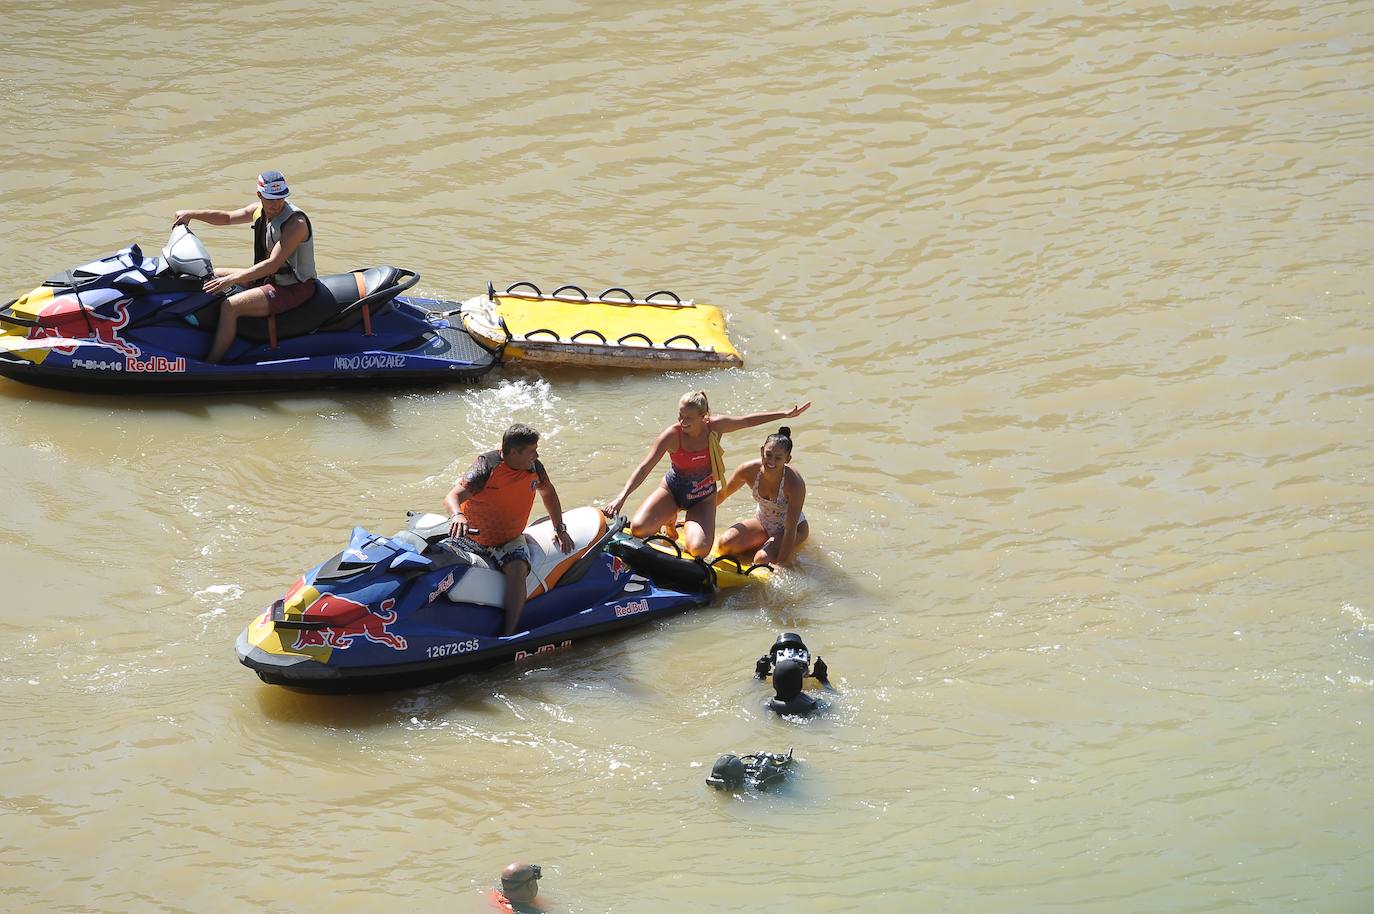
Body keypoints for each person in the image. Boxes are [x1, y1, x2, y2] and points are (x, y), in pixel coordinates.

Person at [604, 392, 810, 559]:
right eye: (680, 416)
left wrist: (783, 414)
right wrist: (622, 497)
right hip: (673, 491)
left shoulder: (716, 428)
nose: (681, 422)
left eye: (688, 418)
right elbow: (644, 467)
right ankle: (670, 517)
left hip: (702, 499)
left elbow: (747, 421)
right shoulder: (672, 436)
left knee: (699, 551)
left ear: (704, 418)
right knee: (639, 530)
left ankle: (682, 520)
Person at [171, 169, 317, 363]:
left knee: (230, 306)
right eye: (271, 199)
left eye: (281, 198)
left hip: (293, 287)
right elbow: (227, 218)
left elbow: (272, 265)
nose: (276, 204)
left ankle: (213, 363)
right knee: (211, 274)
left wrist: (230, 280)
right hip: (269, 279)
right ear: (259, 195)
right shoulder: (260, 211)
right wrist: (191, 214)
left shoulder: (296, 223)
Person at [445, 424, 573, 636]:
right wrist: (457, 515)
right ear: (514, 452)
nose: (537, 455)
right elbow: (453, 497)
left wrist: (559, 528)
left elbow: (548, 492)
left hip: (508, 540)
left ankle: (508, 633)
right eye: (532, 451)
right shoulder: (486, 467)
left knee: (517, 570)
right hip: (470, 537)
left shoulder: (534, 468)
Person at [715, 426, 809, 567]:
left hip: (793, 529)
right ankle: (763, 543)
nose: (771, 461)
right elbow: (722, 494)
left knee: (761, 561)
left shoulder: (795, 483)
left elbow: (790, 530)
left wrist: (780, 564)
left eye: (778, 458)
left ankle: (766, 550)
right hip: (762, 521)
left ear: (787, 459)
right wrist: (697, 518)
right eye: (768, 455)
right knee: (724, 545)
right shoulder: (748, 470)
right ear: (761, 451)